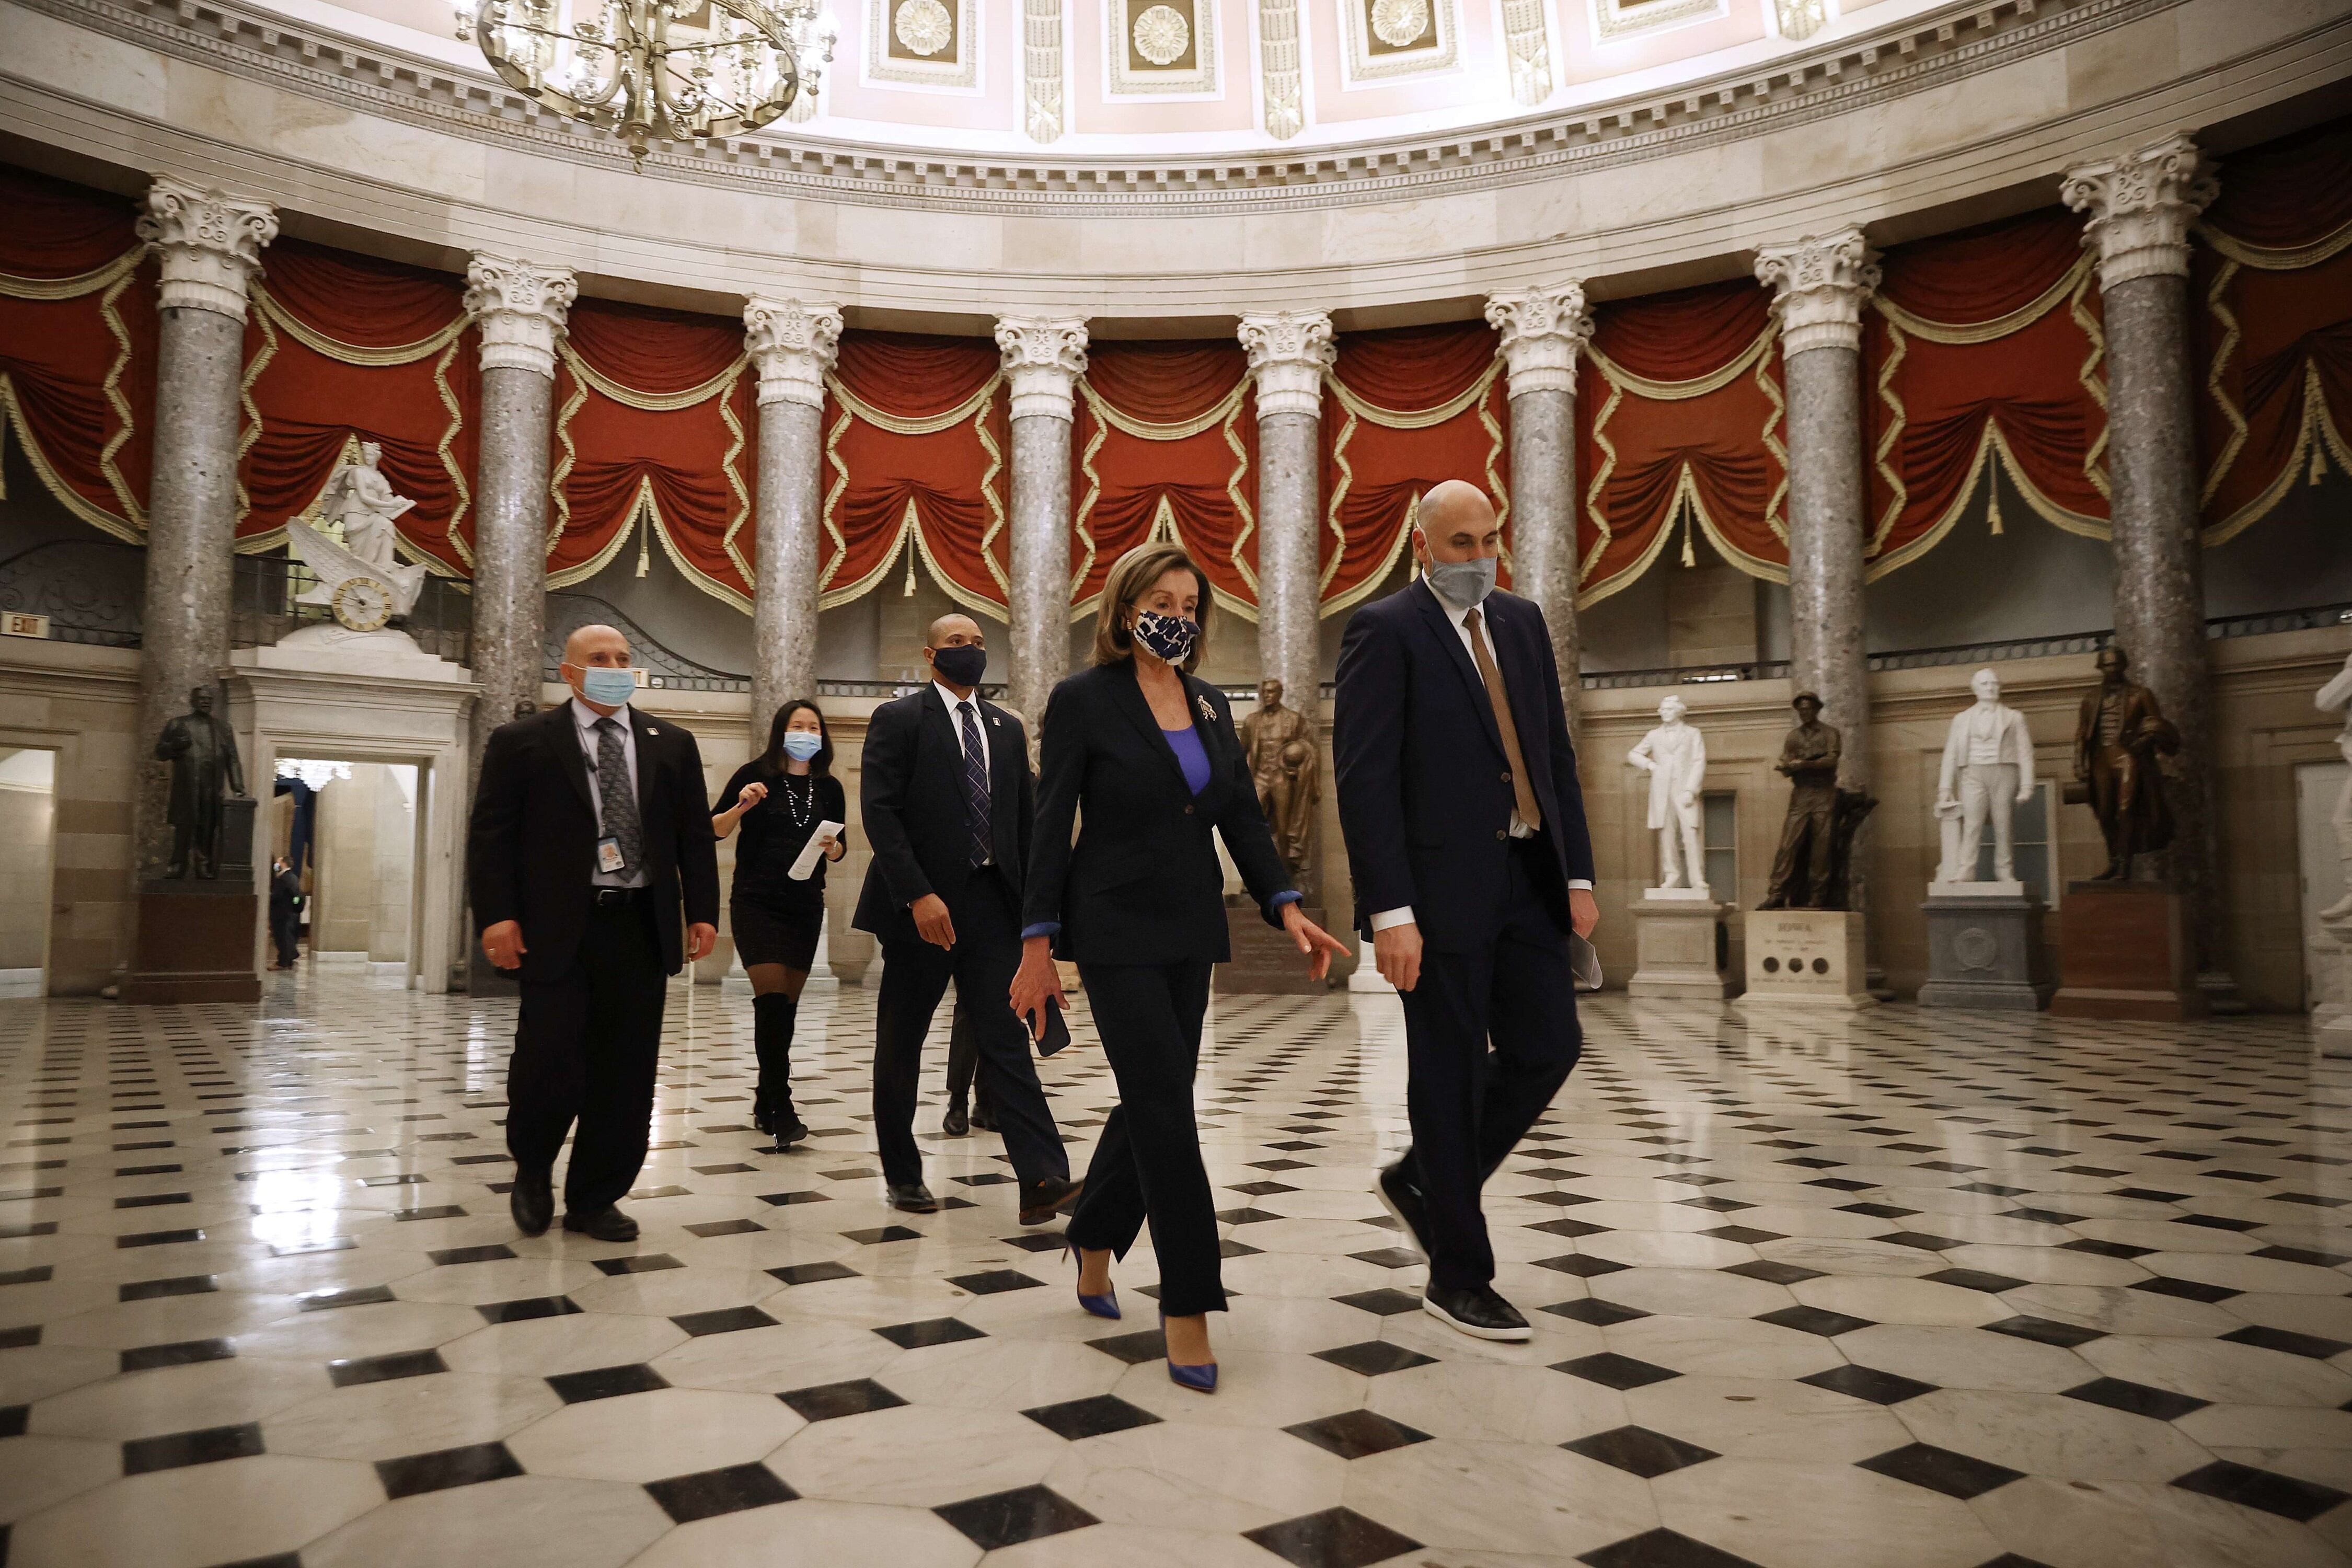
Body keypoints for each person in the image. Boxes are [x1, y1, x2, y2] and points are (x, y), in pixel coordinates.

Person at [1012, 543, 1347, 1393]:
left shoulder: (1208, 704)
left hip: (1191, 925)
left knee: (1154, 1098)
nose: (1179, 616)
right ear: (1126, 611)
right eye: (1163, 600)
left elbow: (1240, 815)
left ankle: (1092, 1234)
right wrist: (1037, 942)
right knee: (1168, 1110)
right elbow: (1052, 825)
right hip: (1115, 924)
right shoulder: (1083, 701)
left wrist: (1287, 904)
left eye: (1193, 606)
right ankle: (1189, 1306)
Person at [1332, 480, 1597, 1343]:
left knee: (1549, 1045)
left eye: (1489, 540)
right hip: (1437, 896)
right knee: (1444, 1073)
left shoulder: (1521, 623)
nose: (1479, 558)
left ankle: (1423, 1181)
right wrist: (1390, 911)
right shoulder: (1384, 630)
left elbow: (1554, 755)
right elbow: (1365, 780)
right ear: (1422, 546)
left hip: (1527, 876)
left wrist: (1581, 875)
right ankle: (1459, 1274)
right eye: (1460, 544)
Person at [468, 624, 719, 1243]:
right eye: (600, 658)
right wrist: (496, 915)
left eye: (623, 658)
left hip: (638, 926)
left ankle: (595, 1196)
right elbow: (491, 837)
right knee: (548, 1060)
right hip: (559, 928)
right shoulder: (522, 742)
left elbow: (693, 837)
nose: (614, 666)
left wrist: (703, 911)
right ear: (571, 670)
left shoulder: (672, 743)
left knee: (626, 1071)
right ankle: (533, 1168)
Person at [852, 613, 1082, 1225]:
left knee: (1007, 1041)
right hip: (921, 908)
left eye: (980, 643)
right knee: (902, 1041)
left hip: (991, 906)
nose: (971, 652)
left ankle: (1042, 1177)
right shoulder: (898, 720)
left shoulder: (1005, 729)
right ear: (931, 654)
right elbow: (880, 813)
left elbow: (1027, 827)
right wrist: (918, 895)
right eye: (958, 643)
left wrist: (1042, 915)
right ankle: (902, 1174)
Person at [713, 700, 847, 1147]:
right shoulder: (754, 775)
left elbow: (842, 847)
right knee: (770, 1000)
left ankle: (763, 1093)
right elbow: (714, 828)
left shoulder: (829, 787)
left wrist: (834, 850)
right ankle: (782, 1106)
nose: (806, 732)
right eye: (798, 725)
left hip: (805, 904)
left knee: (786, 1009)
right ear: (781, 731)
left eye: (813, 726)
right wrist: (743, 806)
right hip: (757, 901)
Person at [1759, 692, 1841, 909]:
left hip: (1824, 793)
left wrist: (1805, 764)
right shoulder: (1793, 737)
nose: (1805, 713)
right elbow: (1787, 760)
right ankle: (1776, 892)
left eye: (1808, 709)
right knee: (1788, 844)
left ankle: (1818, 894)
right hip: (1802, 793)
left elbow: (1832, 760)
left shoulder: (1830, 733)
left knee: (1821, 847)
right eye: (1801, 710)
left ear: (1816, 709)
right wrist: (1787, 767)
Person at [268, 857, 302, 969]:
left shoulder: (283, 878)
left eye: (278, 863)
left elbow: (278, 896)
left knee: (282, 938)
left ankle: (283, 962)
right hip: (290, 913)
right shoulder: (293, 877)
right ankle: (290, 958)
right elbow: (296, 896)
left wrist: (269, 897)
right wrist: (295, 907)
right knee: (288, 937)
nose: (276, 865)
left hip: (281, 913)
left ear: (283, 864)